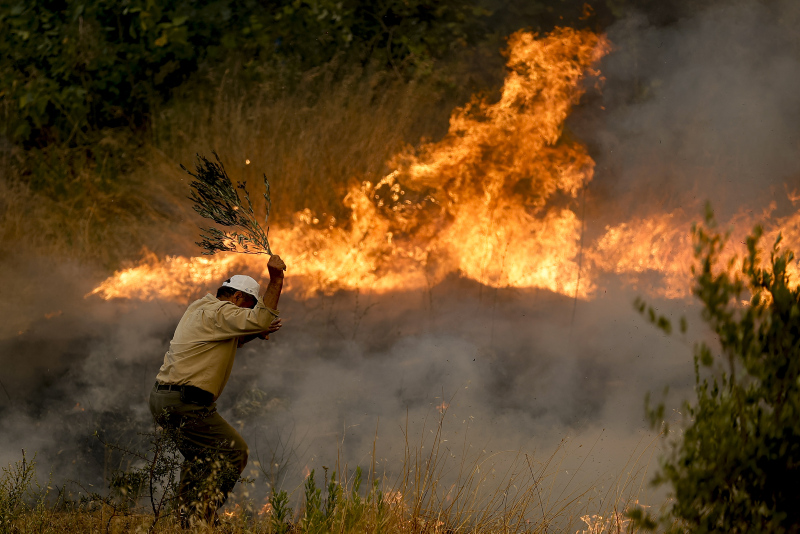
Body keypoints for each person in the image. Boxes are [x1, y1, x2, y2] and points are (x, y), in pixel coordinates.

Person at [149, 254, 286, 527]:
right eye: (248, 307)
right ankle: (201, 519)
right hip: (186, 401)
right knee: (234, 451)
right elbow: (259, 319)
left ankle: (187, 522)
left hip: (165, 397)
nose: (246, 314)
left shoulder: (201, 307)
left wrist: (252, 332)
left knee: (201, 458)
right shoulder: (221, 311)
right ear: (236, 297)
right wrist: (276, 280)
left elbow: (230, 337)